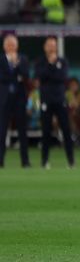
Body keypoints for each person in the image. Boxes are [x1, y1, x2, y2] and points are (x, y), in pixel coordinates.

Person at [33, 36, 74, 169]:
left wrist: (51, 72)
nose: (51, 47)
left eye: (53, 45)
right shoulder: (40, 62)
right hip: (46, 101)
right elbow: (40, 76)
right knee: (46, 132)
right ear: (45, 47)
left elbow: (62, 77)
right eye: (49, 45)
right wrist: (51, 65)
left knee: (66, 131)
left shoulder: (63, 61)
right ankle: (44, 162)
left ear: (56, 47)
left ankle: (71, 161)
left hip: (60, 100)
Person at [0, 34, 31, 168]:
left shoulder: (23, 59)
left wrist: (15, 65)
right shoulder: (1, 59)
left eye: (13, 45)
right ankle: (0, 161)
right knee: (1, 131)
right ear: (4, 46)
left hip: (19, 99)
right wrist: (13, 75)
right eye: (9, 45)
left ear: (17, 46)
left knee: (22, 131)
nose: (11, 47)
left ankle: (25, 161)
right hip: (4, 99)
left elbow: (26, 75)